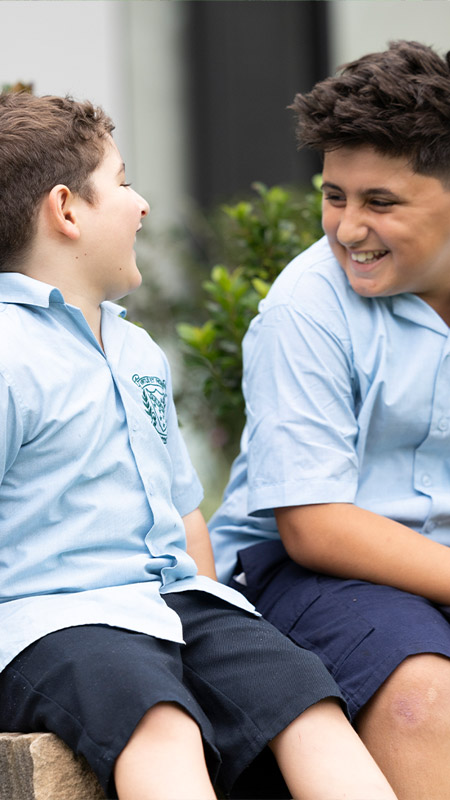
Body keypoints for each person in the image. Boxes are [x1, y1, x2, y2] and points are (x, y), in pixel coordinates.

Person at [0, 90, 397, 800]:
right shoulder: (7, 353)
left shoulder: (136, 349)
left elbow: (183, 515)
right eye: (121, 183)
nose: (141, 204)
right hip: (56, 618)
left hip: (173, 601)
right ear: (65, 211)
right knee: (161, 722)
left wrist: (208, 604)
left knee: (306, 694)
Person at [209, 39, 450, 800]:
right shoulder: (305, 308)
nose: (348, 228)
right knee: (420, 696)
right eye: (333, 195)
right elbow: (314, 524)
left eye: (380, 202)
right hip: (312, 569)